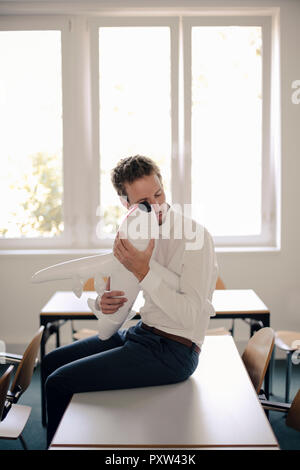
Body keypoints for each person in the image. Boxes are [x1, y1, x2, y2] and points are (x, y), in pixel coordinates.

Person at [42, 155, 218, 447]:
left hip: (175, 351)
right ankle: (57, 440)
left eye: (159, 193)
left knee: (57, 382)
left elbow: (188, 316)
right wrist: (103, 303)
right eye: (144, 202)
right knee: (51, 362)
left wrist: (143, 270)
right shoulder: (133, 231)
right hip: (142, 333)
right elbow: (117, 293)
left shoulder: (196, 238)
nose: (157, 205)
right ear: (126, 204)